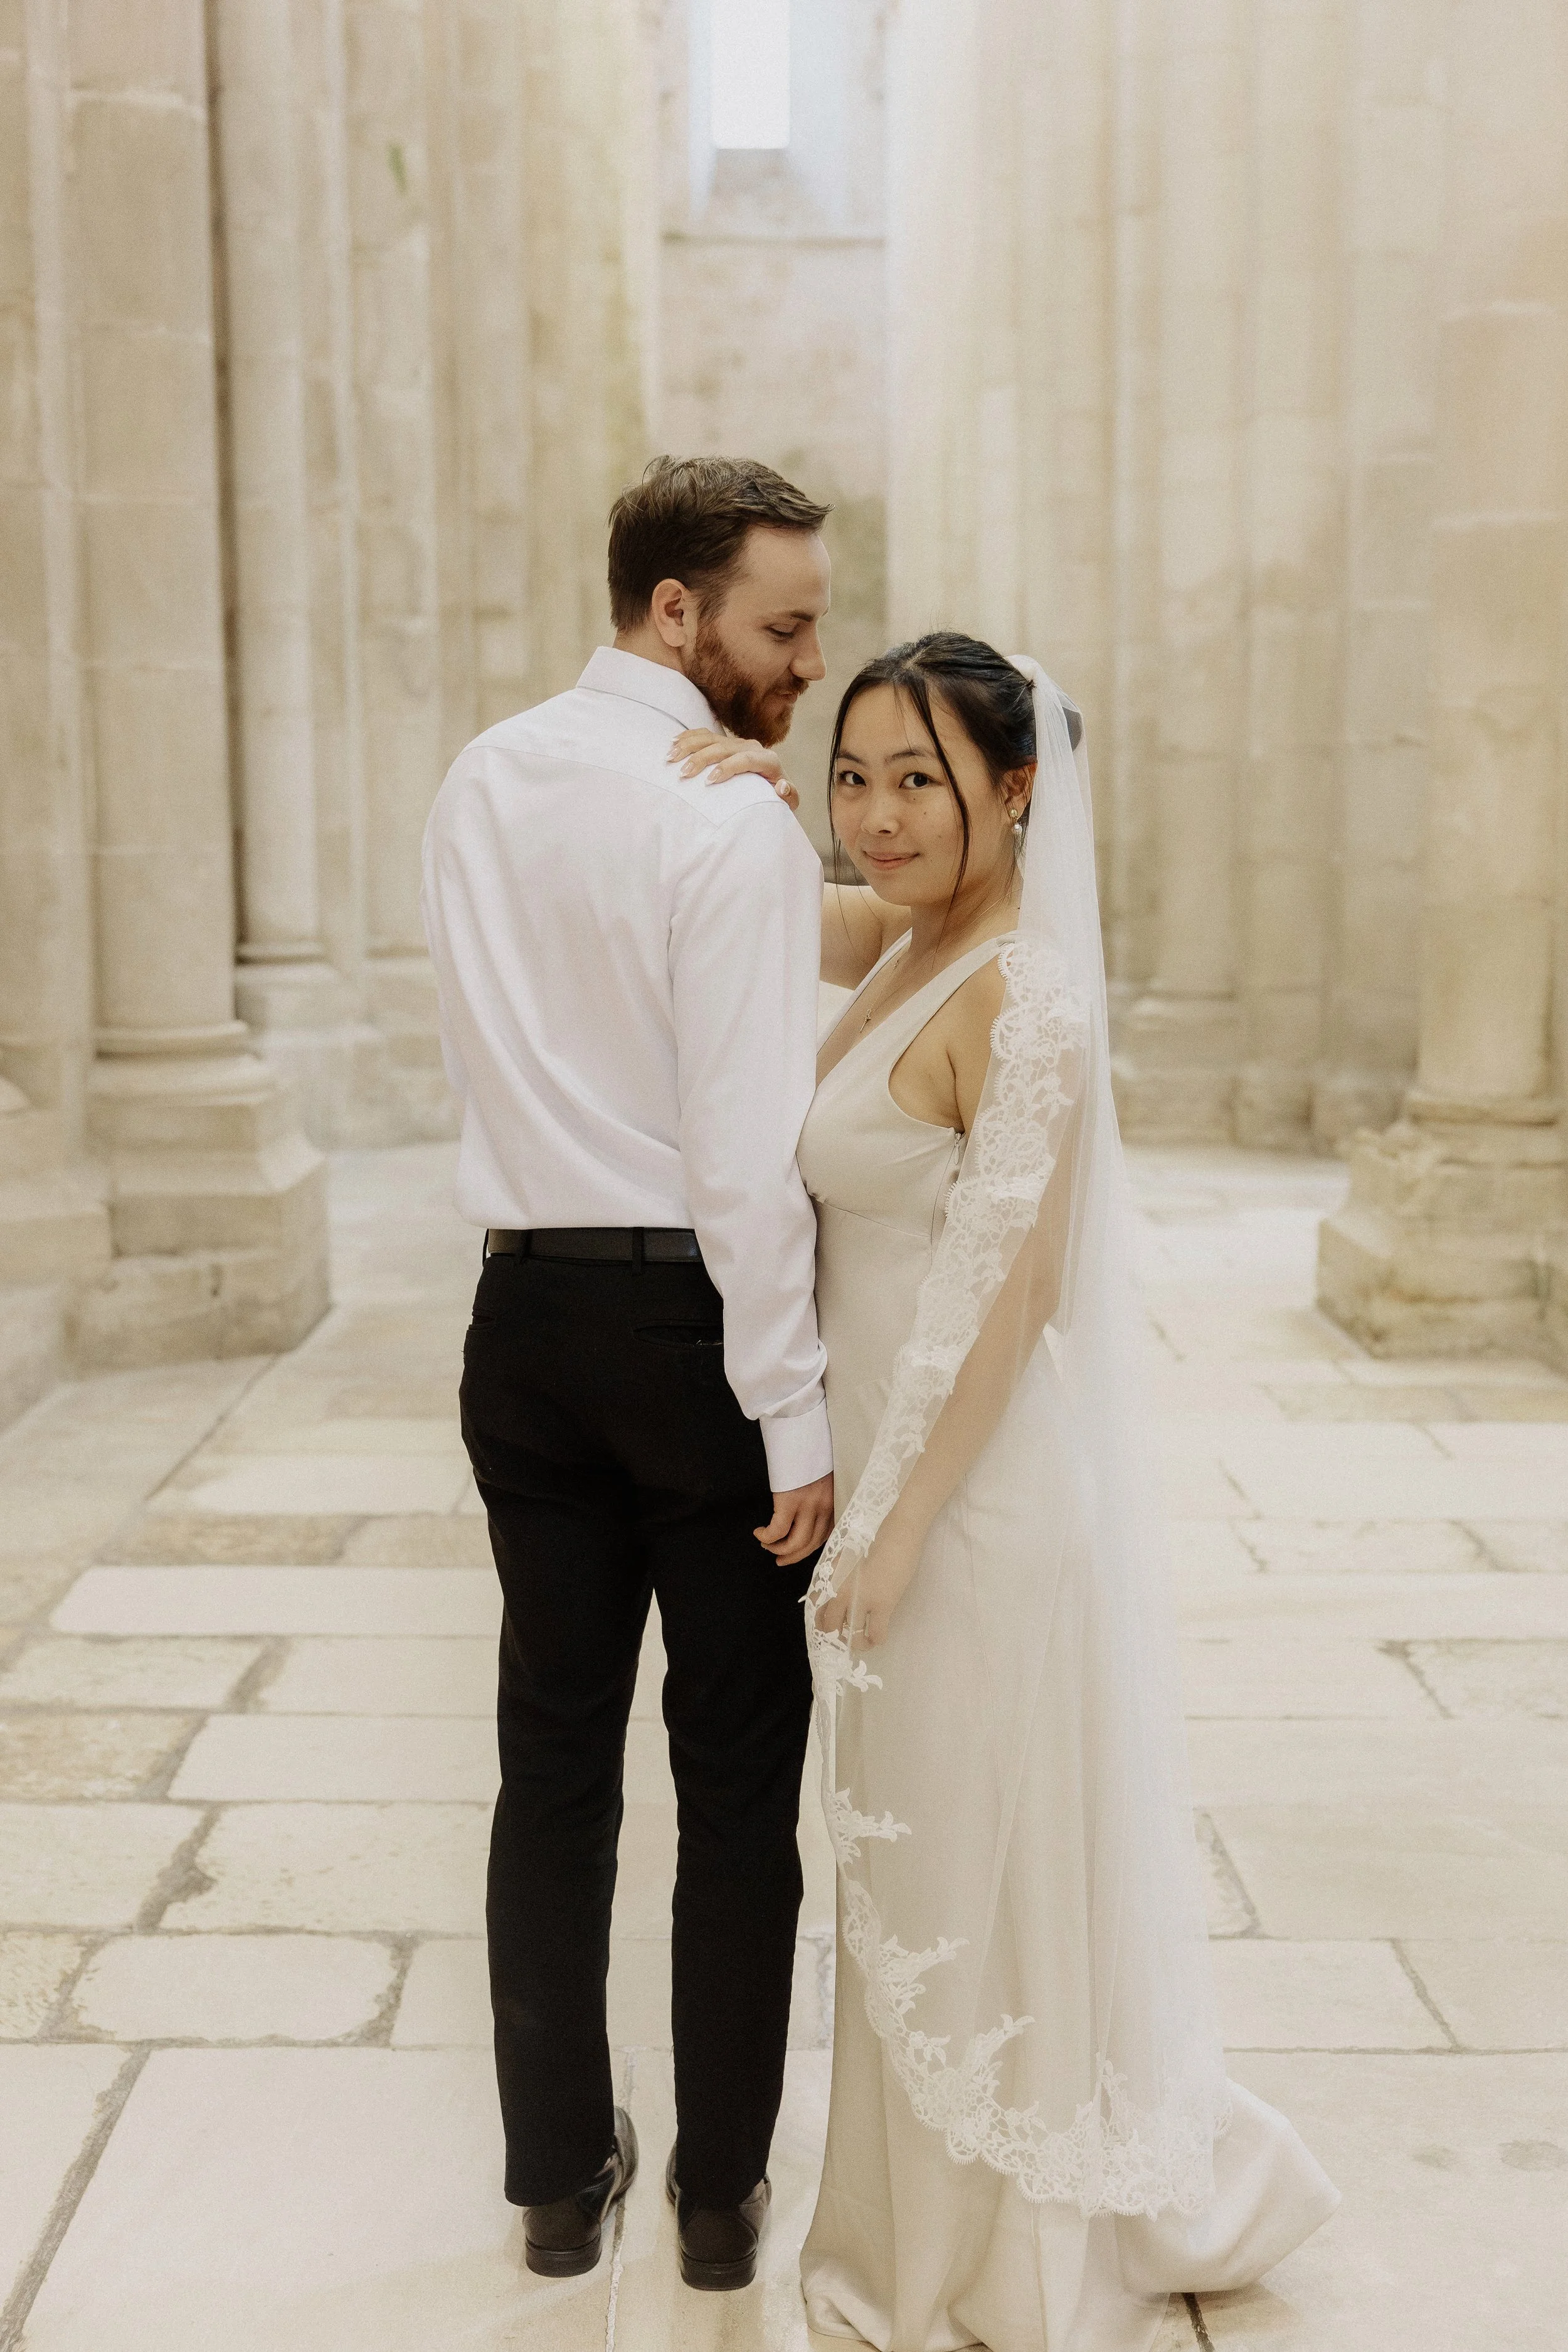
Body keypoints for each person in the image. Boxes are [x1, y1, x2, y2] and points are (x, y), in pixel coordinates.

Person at [673, 633, 1338, 2350]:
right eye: (855, 774)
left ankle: (1008, 2261)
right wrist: (744, 797)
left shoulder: (1020, 990)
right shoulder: (912, 937)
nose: (876, 817)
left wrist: (893, 1532)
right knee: (916, 1865)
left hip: (971, 1502)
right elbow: (790, 916)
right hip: (898, 1476)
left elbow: (1018, 1290)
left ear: (1017, 789)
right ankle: (923, 2232)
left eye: (921, 780)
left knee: (968, 1866)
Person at [420, 455, 838, 2294]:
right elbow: (746, 1156)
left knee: (550, 1759)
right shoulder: (724, 820)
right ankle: (719, 2192)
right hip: (692, 1338)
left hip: (518, 1327)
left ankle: (553, 2174)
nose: (807, 663)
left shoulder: (483, 776)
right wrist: (795, 1415)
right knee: (738, 1780)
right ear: (674, 613)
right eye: (781, 624)